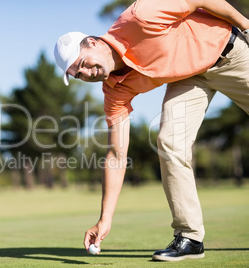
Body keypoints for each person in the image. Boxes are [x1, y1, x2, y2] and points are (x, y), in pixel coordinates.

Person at [54, 0, 249, 262]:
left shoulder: (139, 17)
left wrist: (246, 25)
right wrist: (105, 218)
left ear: (93, 42)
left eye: (83, 64)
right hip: (189, 78)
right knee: (169, 141)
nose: (87, 73)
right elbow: (116, 154)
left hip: (230, 52)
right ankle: (190, 236)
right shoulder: (115, 90)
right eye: (79, 74)